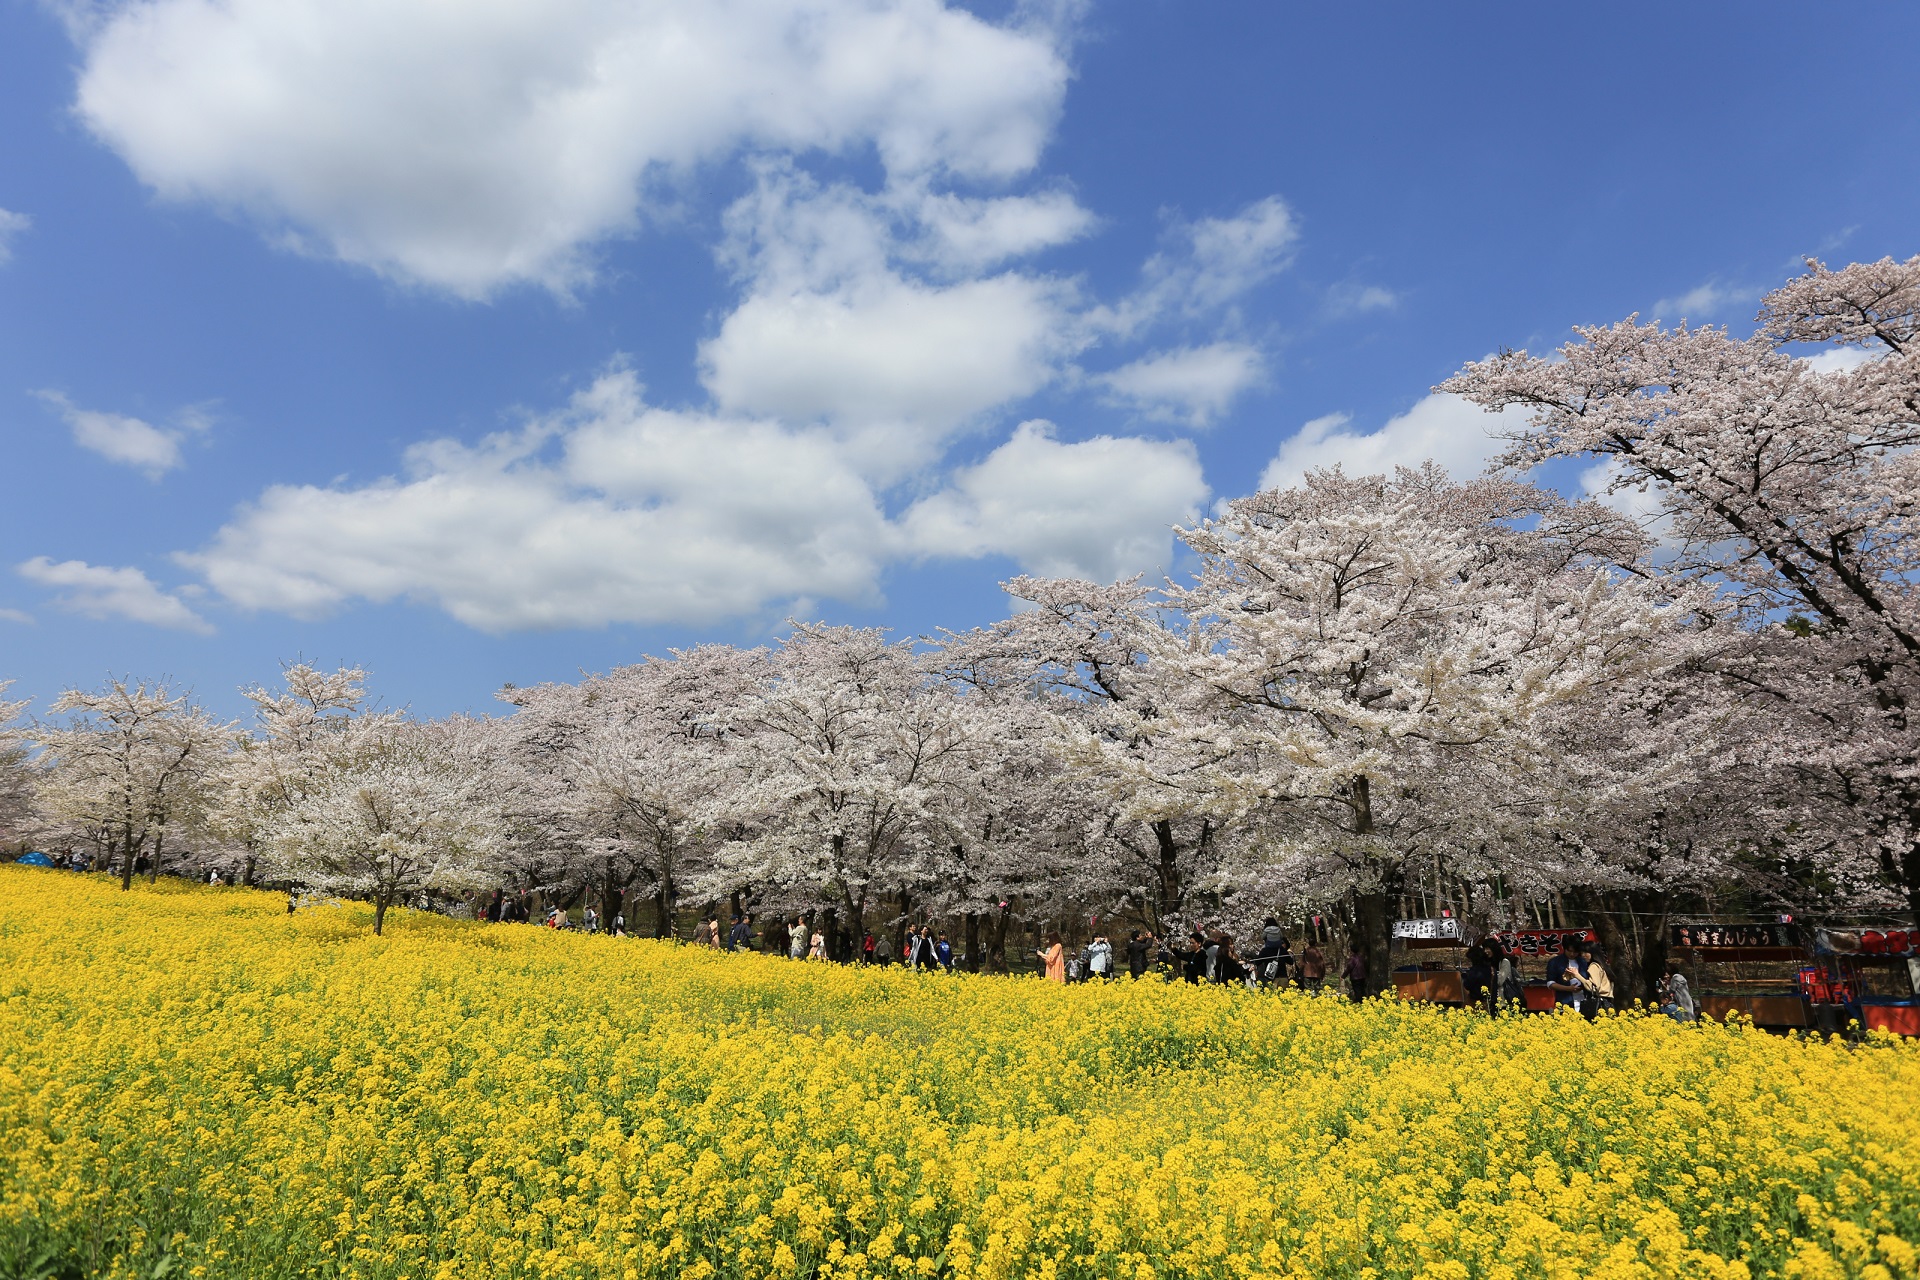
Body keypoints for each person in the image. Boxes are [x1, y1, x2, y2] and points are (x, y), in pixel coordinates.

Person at [1577, 944, 1614, 1020]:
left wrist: (1577, 975)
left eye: (1586, 953)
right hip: (1608, 1002)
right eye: (1582, 953)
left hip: (1599, 1003)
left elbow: (1593, 987)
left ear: (1593, 953)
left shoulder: (1594, 966)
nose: (1583, 955)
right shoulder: (1602, 965)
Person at [1545, 946, 1585, 1015]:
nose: (1572, 954)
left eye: (1575, 952)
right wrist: (1568, 988)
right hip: (1564, 1001)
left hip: (1583, 1001)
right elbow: (1550, 983)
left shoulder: (1583, 961)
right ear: (1564, 949)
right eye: (1569, 951)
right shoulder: (1555, 962)